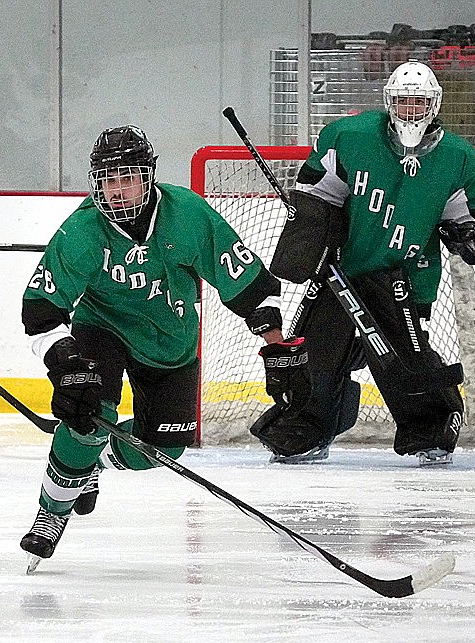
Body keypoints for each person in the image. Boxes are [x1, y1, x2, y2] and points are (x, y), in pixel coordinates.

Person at [19, 125, 288, 571]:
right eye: (109, 179)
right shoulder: (83, 231)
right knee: (90, 416)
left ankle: (93, 462)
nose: (118, 190)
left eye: (129, 178)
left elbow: (246, 284)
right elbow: (42, 310)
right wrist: (64, 360)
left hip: (171, 341)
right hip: (101, 328)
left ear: (149, 177)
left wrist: (276, 344)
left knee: (166, 447)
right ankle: (51, 510)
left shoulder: (187, 215)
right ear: (95, 181)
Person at [250, 60, 475, 467]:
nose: (411, 110)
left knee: (404, 360)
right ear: (389, 102)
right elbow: (319, 193)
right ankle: (306, 431)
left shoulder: (459, 158)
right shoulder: (349, 137)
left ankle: (431, 429)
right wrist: (311, 237)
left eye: (419, 102)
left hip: (406, 273)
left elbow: (463, 217)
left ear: (434, 105)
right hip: (342, 269)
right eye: (403, 102)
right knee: (318, 354)